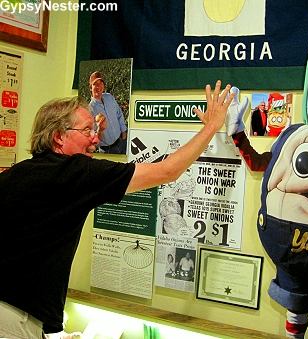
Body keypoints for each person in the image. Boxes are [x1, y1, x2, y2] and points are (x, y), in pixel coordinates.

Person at [0, 80, 233, 338]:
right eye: (87, 130)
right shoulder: (75, 172)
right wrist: (212, 126)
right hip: (15, 317)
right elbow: (168, 170)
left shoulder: (17, 173)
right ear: (58, 136)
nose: (96, 138)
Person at [89, 71, 128, 154]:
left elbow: (119, 113)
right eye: (95, 83)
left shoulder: (109, 97)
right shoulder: (90, 110)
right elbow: (94, 137)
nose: (98, 86)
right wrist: (100, 129)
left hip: (122, 142)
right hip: (108, 150)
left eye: (101, 83)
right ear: (90, 88)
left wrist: (123, 131)